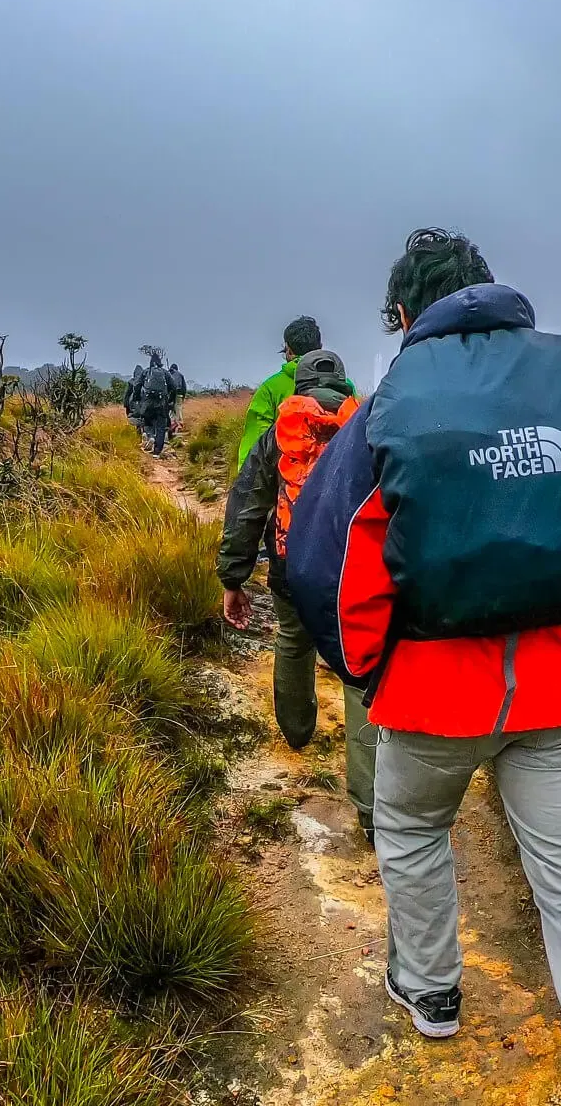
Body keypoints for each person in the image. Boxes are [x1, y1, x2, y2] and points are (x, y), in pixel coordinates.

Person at [288, 229, 561, 1106]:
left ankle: (430, 994)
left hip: (431, 693)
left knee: (416, 832)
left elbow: (337, 553)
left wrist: (367, 669)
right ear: (494, 290)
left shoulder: (393, 400)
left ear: (401, 315)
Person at [216, 350, 376, 841]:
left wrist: (233, 577)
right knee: (358, 670)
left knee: (292, 638)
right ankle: (372, 810)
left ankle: (297, 730)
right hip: (354, 573)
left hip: (291, 569)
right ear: (343, 384)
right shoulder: (367, 426)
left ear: (298, 386)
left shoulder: (276, 437)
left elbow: (247, 508)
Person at [235, 316, 326, 479]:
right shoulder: (345, 385)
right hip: (335, 485)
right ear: (320, 348)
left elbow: (255, 445)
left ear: (288, 350)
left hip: (288, 486)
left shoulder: (270, 388)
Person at [129, 352, 176, 456]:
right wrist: (170, 400)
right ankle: (157, 451)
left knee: (147, 420)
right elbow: (173, 386)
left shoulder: (146, 371)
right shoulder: (165, 373)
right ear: (160, 362)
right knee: (161, 426)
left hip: (148, 402)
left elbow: (136, 385)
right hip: (161, 402)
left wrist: (137, 398)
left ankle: (150, 436)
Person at [169, 361, 189, 434]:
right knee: (178, 408)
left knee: (171, 409)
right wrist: (183, 396)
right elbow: (184, 387)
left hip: (170, 394)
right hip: (178, 394)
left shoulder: (168, 374)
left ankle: (172, 423)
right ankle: (179, 424)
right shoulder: (180, 375)